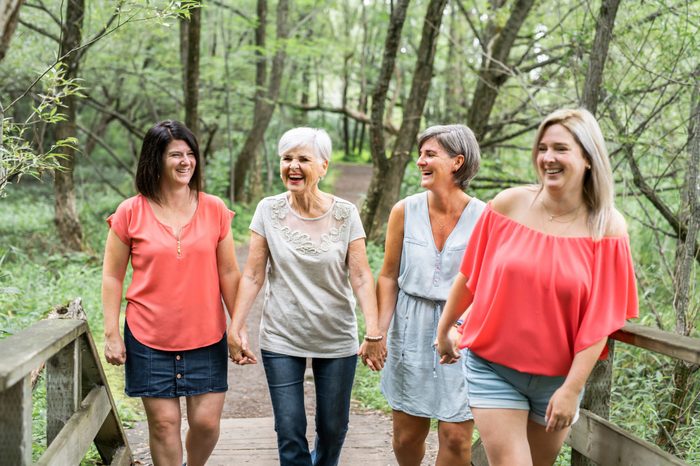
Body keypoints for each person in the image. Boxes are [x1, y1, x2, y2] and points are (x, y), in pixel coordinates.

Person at [436, 108, 638, 466]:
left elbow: (600, 322)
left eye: (560, 148)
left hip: (558, 380)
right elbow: (470, 276)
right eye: (542, 148)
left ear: (588, 159)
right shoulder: (509, 204)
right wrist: (446, 327)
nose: (548, 158)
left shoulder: (608, 229)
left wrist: (572, 389)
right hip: (493, 366)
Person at [227, 127, 384, 466]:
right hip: (282, 334)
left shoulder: (345, 213)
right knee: (289, 427)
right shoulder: (268, 211)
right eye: (287, 159)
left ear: (324, 167)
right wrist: (236, 326)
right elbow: (253, 274)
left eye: (302, 159)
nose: (293, 166)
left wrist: (373, 331)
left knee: (332, 427)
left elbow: (360, 275)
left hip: (335, 335)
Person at [102, 120, 240, 466]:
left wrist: (238, 327)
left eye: (190, 154)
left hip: (206, 335)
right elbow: (112, 276)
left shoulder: (214, 209)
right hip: (148, 336)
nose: (185, 161)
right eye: (175, 154)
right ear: (155, 159)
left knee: (206, 424)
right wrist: (111, 333)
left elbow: (228, 272)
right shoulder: (129, 211)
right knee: (164, 424)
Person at [374, 124, 485, 466]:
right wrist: (377, 331)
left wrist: (460, 329)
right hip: (411, 326)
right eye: (420, 154)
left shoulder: (485, 217)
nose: (420, 161)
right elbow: (389, 275)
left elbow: (487, 285)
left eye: (430, 154)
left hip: (462, 332)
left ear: (457, 162)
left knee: (456, 440)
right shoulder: (404, 210)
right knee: (407, 437)